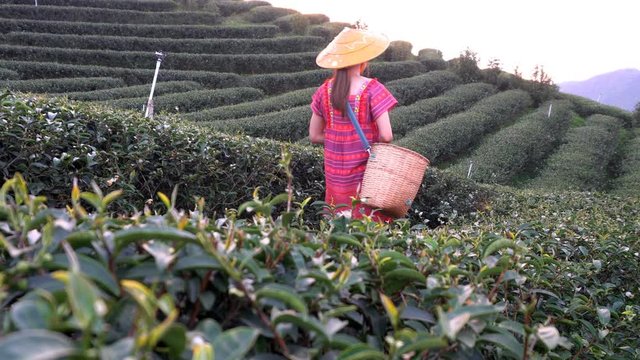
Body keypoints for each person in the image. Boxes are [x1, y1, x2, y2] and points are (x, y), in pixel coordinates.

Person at [309, 27, 398, 222]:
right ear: (363, 61)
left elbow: (314, 136)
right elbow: (387, 136)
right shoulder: (373, 89)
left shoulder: (324, 91)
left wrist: (338, 139)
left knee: (338, 225)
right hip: (365, 176)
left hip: (335, 177)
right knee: (365, 228)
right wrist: (358, 141)